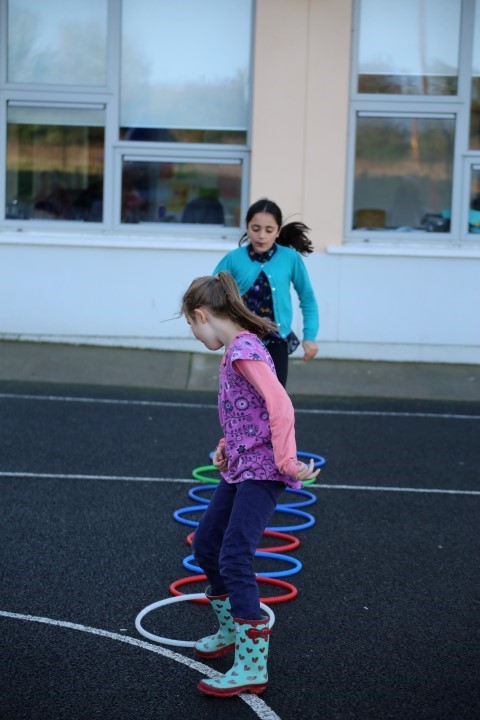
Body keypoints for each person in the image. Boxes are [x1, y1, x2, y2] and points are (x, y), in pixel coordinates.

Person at [181, 271, 320, 698]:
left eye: (191, 327)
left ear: (202, 315)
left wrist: (287, 461)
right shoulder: (237, 349)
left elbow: (280, 404)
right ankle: (230, 630)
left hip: (263, 469)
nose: (195, 335)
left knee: (234, 555)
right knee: (207, 544)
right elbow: (247, 410)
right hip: (241, 465)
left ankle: (251, 665)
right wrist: (226, 445)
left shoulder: (243, 351)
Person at [213, 198, 319, 387]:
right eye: (255, 229)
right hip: (241, 341)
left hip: (277, 340)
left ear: (278, 231)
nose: (262, 236)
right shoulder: (233, 259)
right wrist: (215, 331)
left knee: (275, 399)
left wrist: (309, 336)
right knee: (244, 397)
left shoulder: (290, 258)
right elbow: (211, 294)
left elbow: (307, 297)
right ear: (247, 227)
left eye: (269, 230)